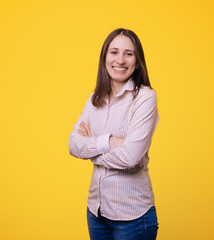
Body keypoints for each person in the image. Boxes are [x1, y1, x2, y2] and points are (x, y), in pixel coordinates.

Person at [69, 28, 159, 240]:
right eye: (114, 52)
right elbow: (73, 144)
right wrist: (109, 142)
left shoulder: (145, 98)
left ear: (137, 61)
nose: (120, 60)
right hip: (96, 211)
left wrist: (91, 146)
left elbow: (131, 157)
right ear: (105, 58)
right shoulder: (95, 98)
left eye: (129, 53)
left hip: (133, 218)